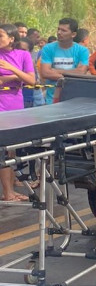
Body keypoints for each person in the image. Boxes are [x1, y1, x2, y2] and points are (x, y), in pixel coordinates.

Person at [0, 23, 35, 202]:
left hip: (15, 104)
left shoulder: (23, 55)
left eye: (1, 36)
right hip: (1, 104)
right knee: (4, 149)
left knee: (12, 150)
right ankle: (7, 192)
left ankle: (10, 190)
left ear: (12, 39)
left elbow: (32, 80)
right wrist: (13, 77)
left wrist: (13, 70)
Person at [39, 18, 89, 104]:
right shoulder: (48, 48)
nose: (59, 32)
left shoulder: (82, 50)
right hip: (52, 100)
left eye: (63, 30)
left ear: (73, 34)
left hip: (74, 99)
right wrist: (72, 75)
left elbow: (81, 72)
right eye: (58, 29)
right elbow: (45, 73)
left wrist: (57, 71)